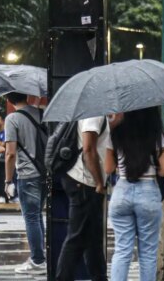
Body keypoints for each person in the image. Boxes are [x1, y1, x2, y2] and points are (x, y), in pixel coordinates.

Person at [104, 107, 164, 281]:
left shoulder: (116, 133)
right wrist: (153, 168)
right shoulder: (156, 135)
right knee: (148, 253)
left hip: (122, 190)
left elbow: (108, 168)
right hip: (148, 192)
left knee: (122, 250)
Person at [56, 113, 122, 281]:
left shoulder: (95, 113)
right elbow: (88, 149)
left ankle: (99, 277)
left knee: (93, 238)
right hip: (85, 182)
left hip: (85, 181)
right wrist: (99, 182)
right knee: (76, 237)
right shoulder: (94, 113)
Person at [3, 92, 47, 274]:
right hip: (45, 172)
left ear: (8, 100)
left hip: (28, 175)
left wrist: (7, 180)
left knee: (31, 217)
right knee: (37, 216)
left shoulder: (12, 119)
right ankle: (41, 257)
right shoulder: (41, 113)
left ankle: (37, 260)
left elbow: (10, 153)